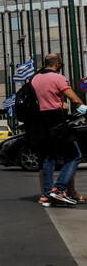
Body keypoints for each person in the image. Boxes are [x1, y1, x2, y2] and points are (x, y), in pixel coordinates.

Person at [30, 54, 87, 207]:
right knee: (75, 155)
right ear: (57, 63)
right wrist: (84, 109)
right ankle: (60, 189)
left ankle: (48, 196)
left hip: (40, 124)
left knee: (48, 159)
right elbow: (74, 100)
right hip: (56, 121)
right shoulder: (58, 78)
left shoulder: (34, 79)